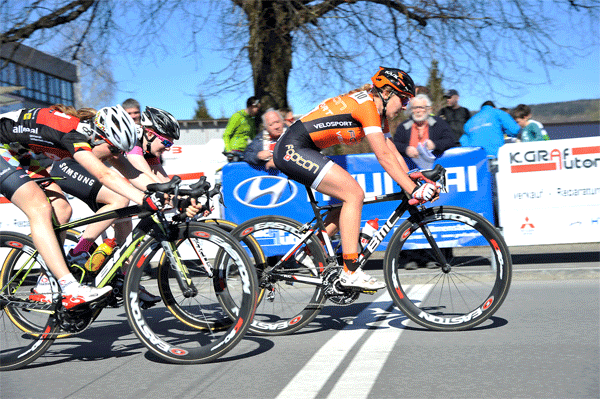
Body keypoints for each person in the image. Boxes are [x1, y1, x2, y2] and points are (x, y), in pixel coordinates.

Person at [273, 67, 439, 290]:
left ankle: (312, 250)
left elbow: (390, 150)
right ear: (388, 92)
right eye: (404, 99)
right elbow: (382, 156)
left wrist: (411, 179)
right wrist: (412, 189)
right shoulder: (368, 107)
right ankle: (350, 271)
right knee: (354, 194)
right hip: (293, 149)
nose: (405, 107)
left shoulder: (377, 111)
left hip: (305, 148)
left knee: (347, 198)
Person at [0, 104, 165, 309]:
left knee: (62, 209)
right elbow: (104, 175)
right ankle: (70, 287)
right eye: (114, 148)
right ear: (100, 138)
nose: (115, 155)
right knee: (39, 207)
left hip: (25, 154)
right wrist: (143, 199)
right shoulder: (73, 133)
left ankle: (45, 283)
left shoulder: (94, 135)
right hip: (5, 147)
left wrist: (161, 193)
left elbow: (131, 172)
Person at [393, 94, 458, 170]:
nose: (418, 111)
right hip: (411, 170)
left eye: (421, 107)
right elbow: (395, 144)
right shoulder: (403, 126)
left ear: (429, 109)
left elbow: (450, 140)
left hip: (436, 169)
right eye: (414, 108)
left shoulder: (439, 123)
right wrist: (406, 149)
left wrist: (435, 145)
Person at [222, 96, 261, 161]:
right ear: (252, 106)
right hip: (234, 151)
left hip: (245, 152)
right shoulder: (237, 116)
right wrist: (228, 150)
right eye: (257, 108)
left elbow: (253, 137)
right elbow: (226, 134)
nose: (258, 111)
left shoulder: (251, 120)